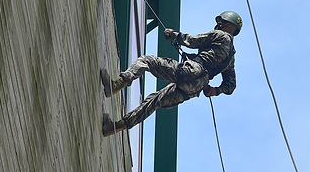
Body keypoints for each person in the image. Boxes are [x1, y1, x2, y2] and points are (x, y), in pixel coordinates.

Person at [101, 11, 241, 136]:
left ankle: (116, 85)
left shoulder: (220, 35)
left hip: (191, 71)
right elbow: (231, 85)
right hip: (195, 87)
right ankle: (114, 127)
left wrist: (174, 35)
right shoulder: (231, 57)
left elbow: (192, 41)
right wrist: (215, 91)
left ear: (226, 23)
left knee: (147, 61)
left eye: (221, 22)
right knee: (154, 101)